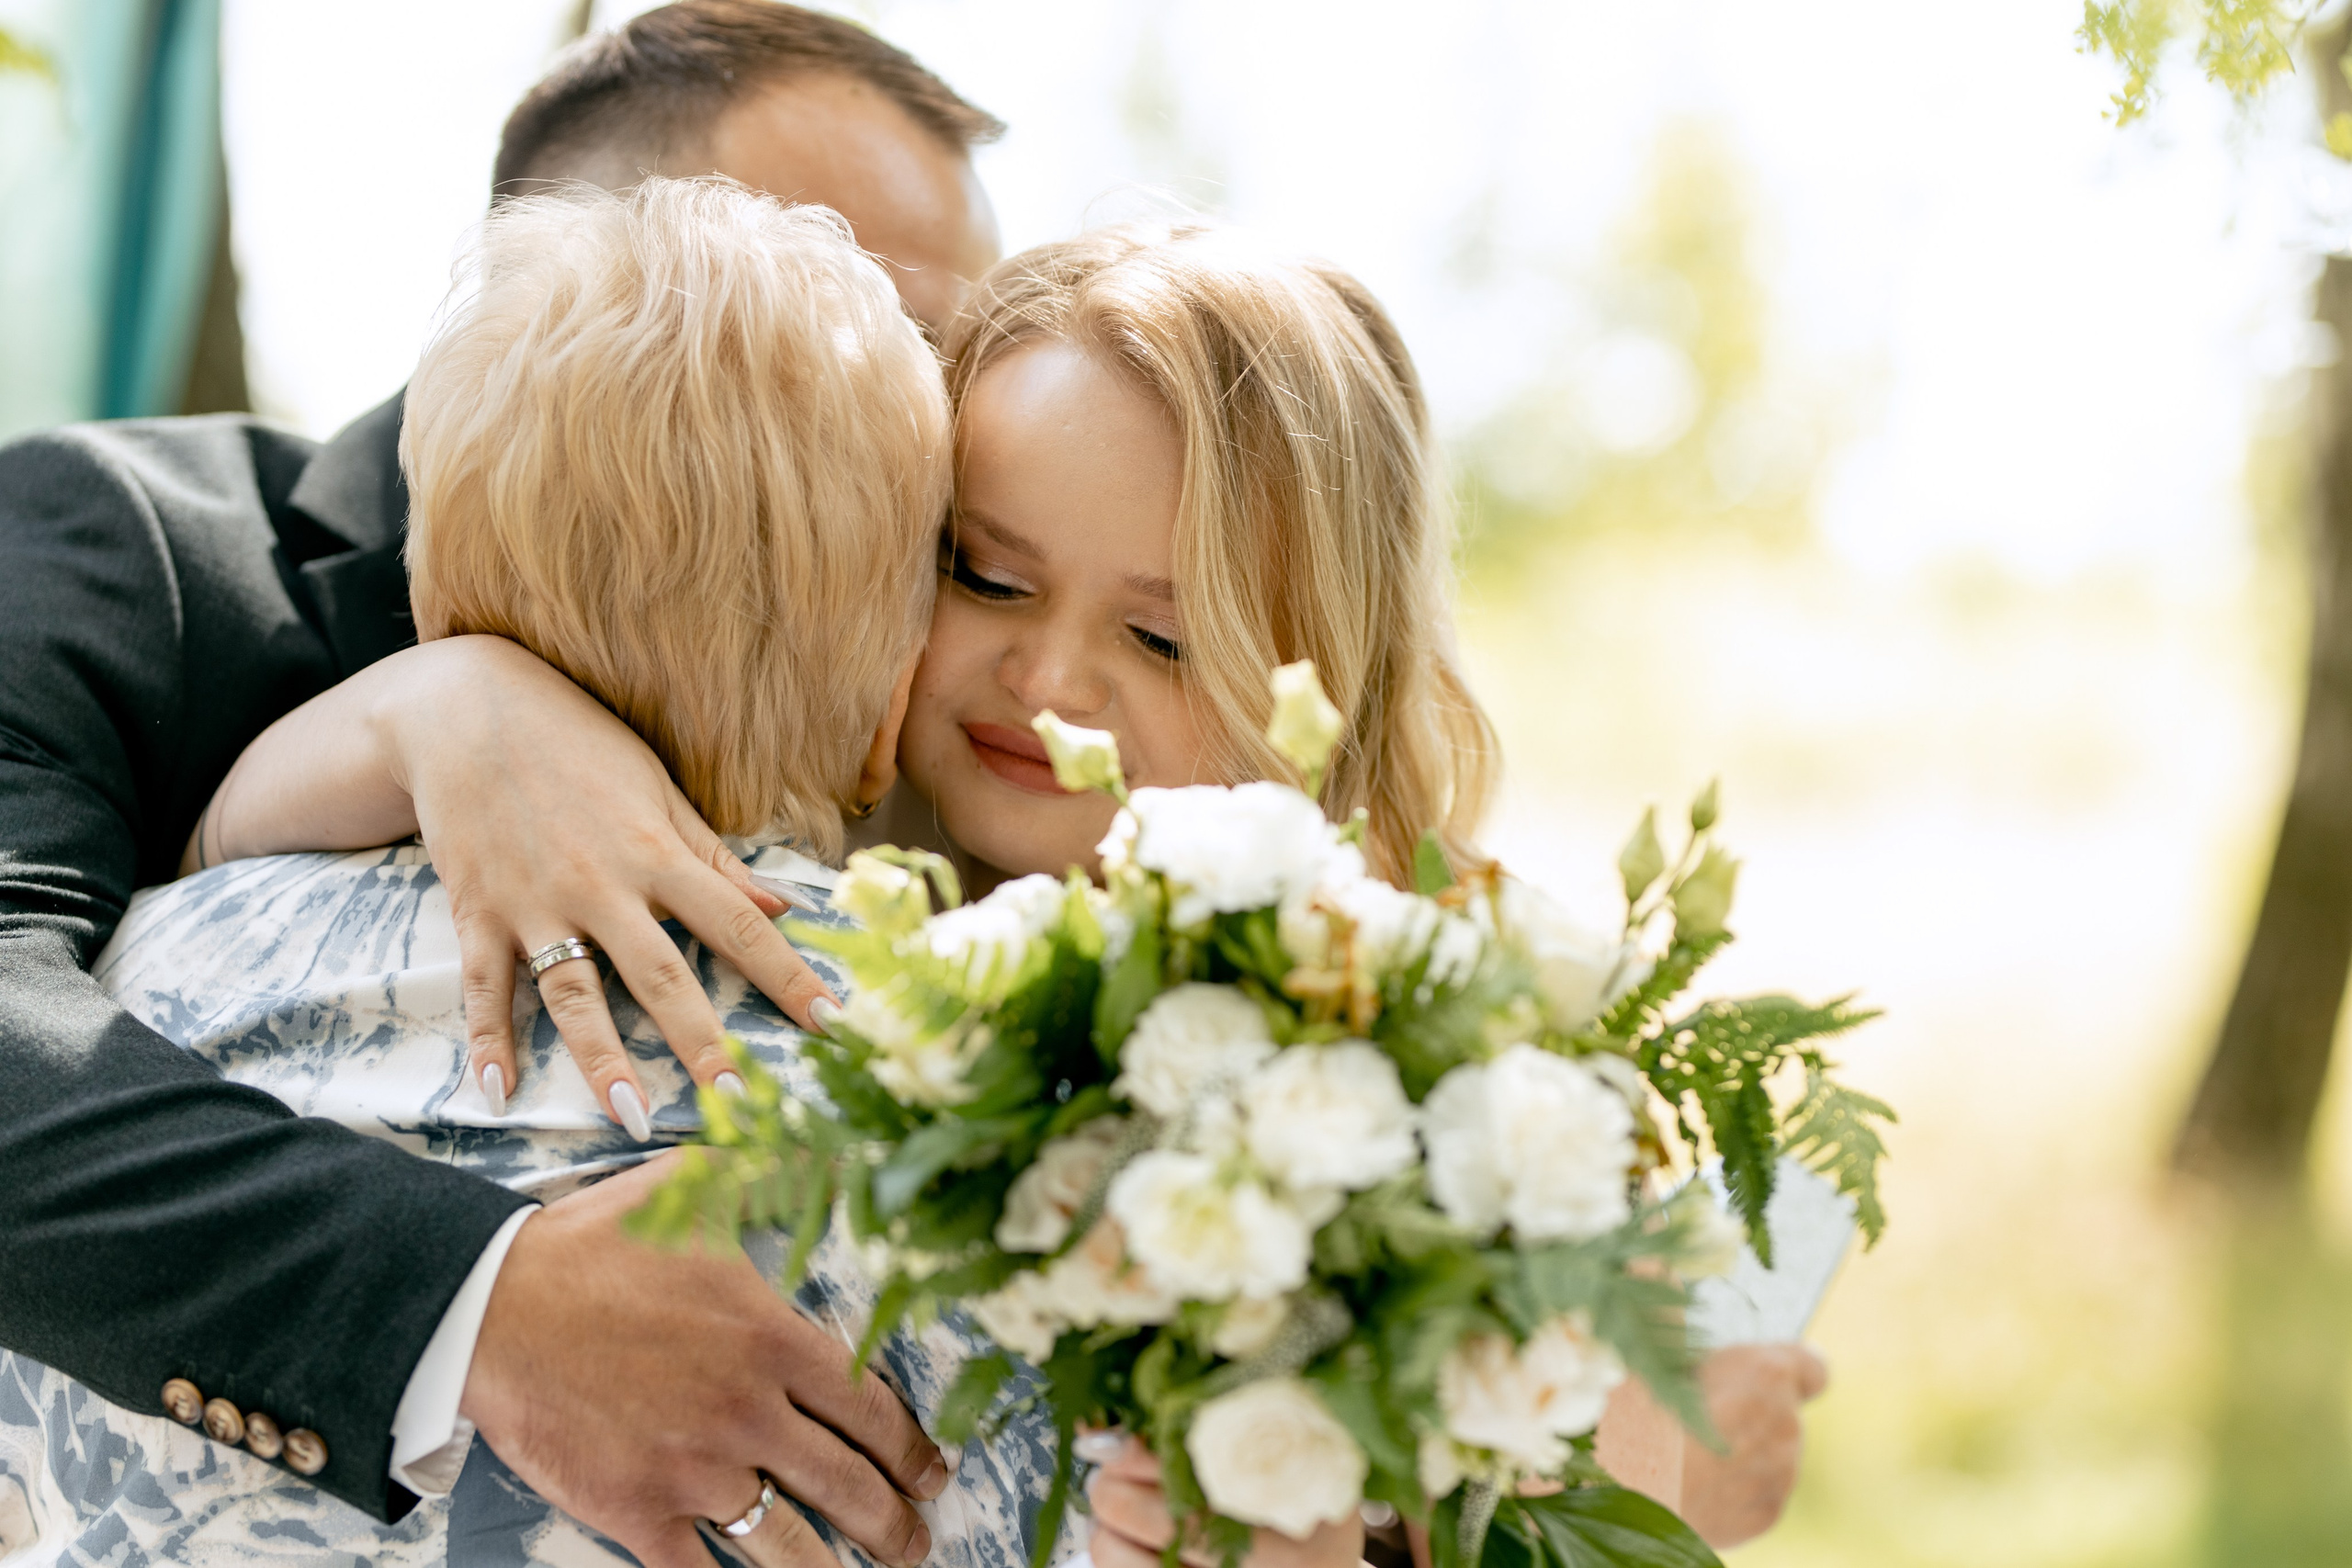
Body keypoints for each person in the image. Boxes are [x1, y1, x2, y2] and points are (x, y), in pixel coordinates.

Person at [102, 219, 1823, 1554]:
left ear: (1324, 682)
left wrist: (1647, 1463)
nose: (1048, 682)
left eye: (1163, 638)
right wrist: (440, 702)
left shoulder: (1410, 1082)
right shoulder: (771, 901)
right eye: (985, 577)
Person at [0, 3, 1001, 1562]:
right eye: (881, 317)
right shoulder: (125, 548)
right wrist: (481, 1304)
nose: (945, 435)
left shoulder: (970, 730)